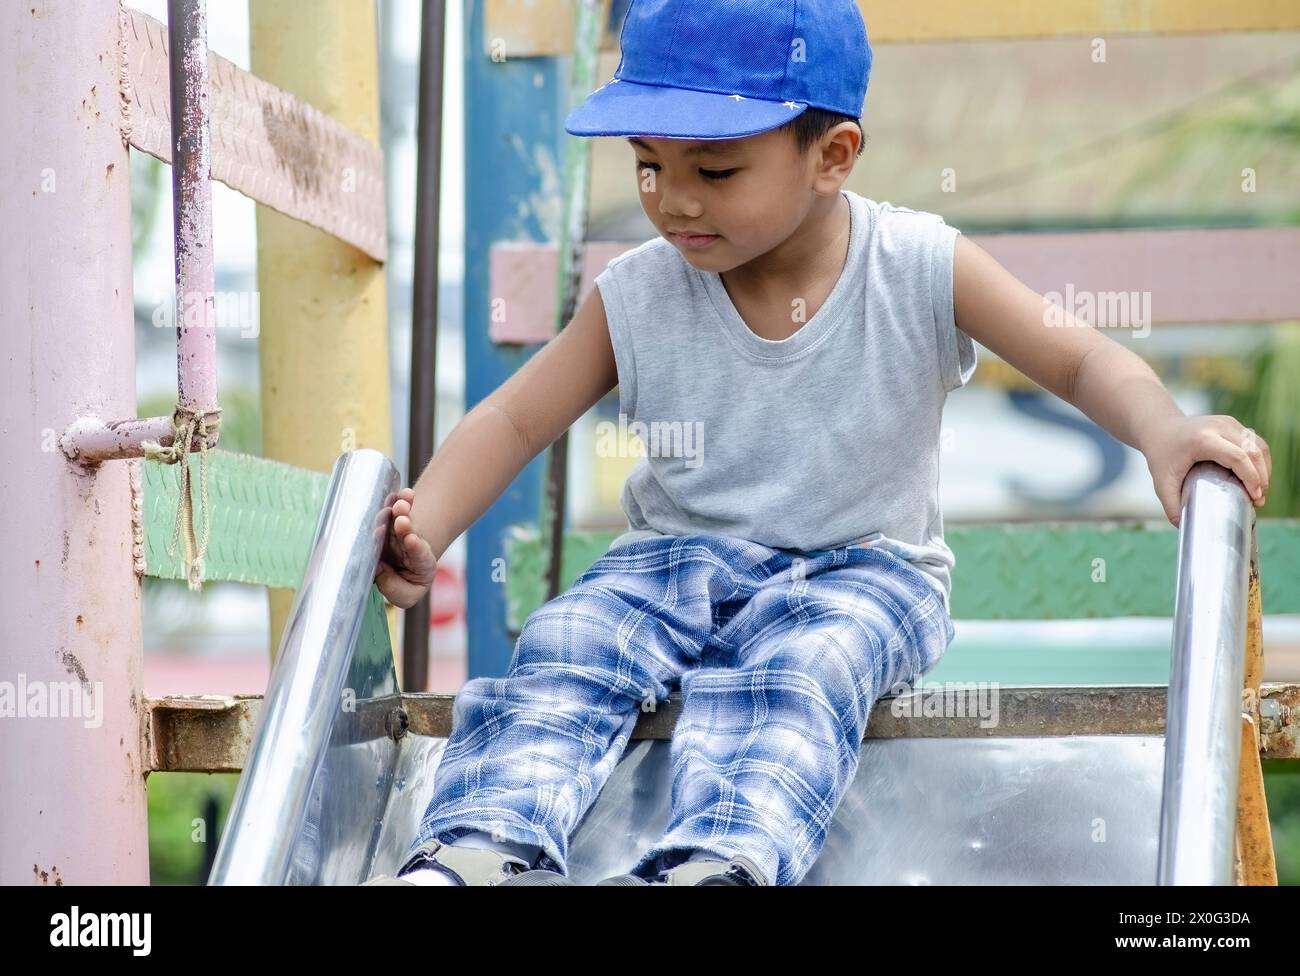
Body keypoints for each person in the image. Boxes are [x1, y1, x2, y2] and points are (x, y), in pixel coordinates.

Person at [366, 0, 1271, 887]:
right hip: (671, 564)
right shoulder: (638, 292)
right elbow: (517, 418)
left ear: (832, 156)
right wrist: (429, 527)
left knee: (808, 668)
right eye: (647, 165)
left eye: (714, 172)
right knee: (570, 637)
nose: (673, 200)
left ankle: (720, 861)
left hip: (864, 571)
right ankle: (478, 844)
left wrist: (1162, 430)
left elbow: (1075, 359)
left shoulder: (917, 263)